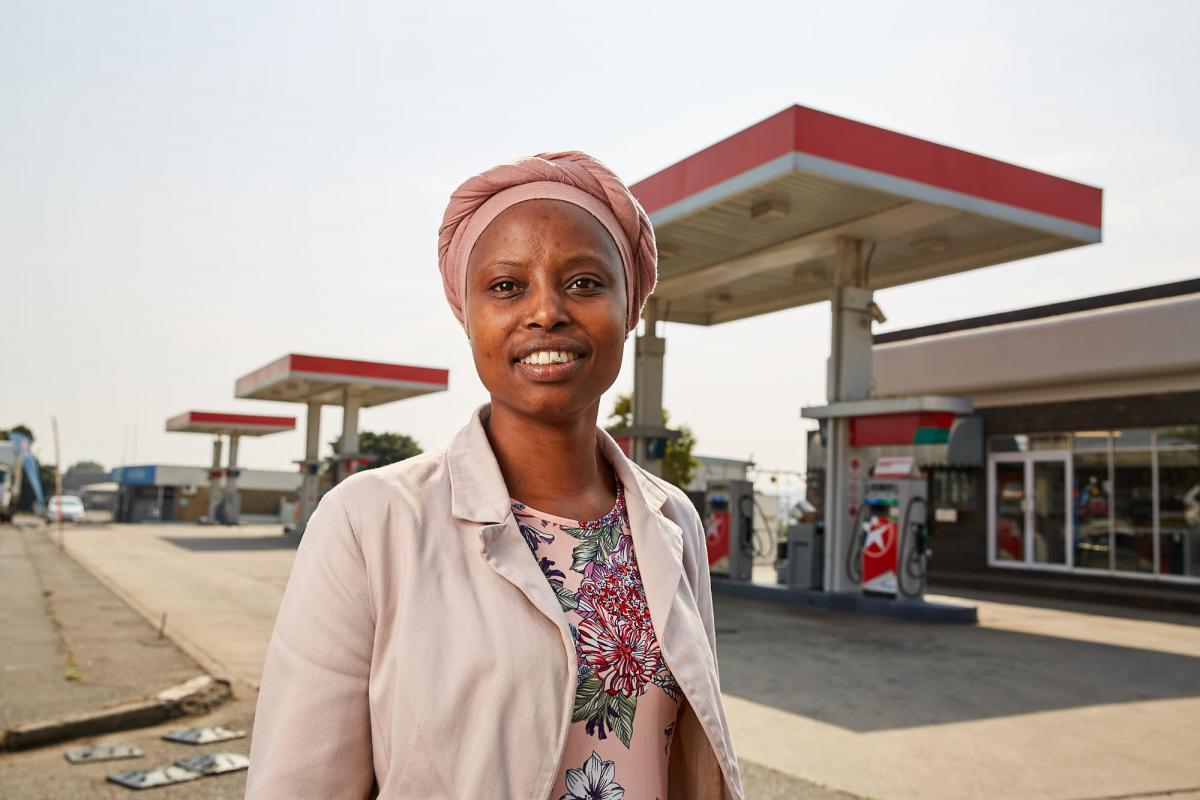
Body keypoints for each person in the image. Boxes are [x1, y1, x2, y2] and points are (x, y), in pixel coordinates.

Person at [245, 152, 744, 799]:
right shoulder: (370, 522)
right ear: (467, 314)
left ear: (631, 310)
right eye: (507, 286)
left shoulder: (670, 518)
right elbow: (298, 785)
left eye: (586, 283)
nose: (546, 313)